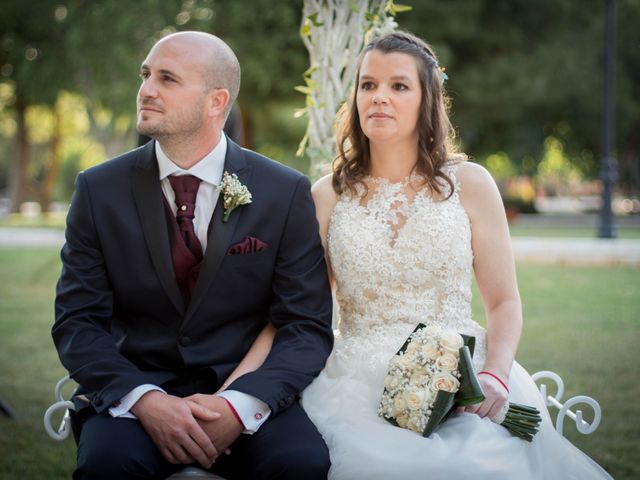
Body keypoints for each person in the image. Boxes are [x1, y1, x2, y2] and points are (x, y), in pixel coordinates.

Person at [232, 31, 614, 479]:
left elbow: (504, 302)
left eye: (399, 86)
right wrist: (233, 391)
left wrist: (494, 376)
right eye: (368, 85)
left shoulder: (470, 184)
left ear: (426, 98)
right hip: (350, 384)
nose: (379, 98)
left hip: (463, 374)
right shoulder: (327, 195)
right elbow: (296, 311)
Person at [53, 31, 333, 480]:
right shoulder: (97, 190)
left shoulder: (283, 193)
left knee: (302, 464)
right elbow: (77, 322)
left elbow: (306, 327)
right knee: (107, 466)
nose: (146, 89)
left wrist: (237, 407)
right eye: (146, 75)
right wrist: (146, 401)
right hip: (135, 398)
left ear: (215, 101)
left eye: (167, 79)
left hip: (245, 394)